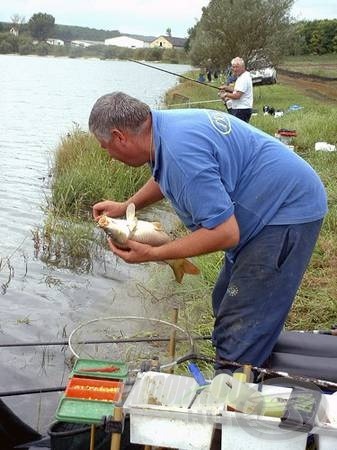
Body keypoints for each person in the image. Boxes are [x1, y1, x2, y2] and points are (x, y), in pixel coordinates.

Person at [89, 91, 327, 369]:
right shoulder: (162, 131)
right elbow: (165, 177)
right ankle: (259, 361)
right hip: (266, 206)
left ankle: (234, 384)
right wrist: (126, 205)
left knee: (240, 331)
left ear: (120, 136)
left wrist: (153, 253)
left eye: (104, 145)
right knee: (225, 301)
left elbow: (225, 233)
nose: (107, 153)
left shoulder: (180, 152)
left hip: (285, 213)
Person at [219, 57, 253, 123]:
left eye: (237, 67)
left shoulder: (244, 78)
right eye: (233, 67)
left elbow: (237, 96)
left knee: (240, 132)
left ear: (243, 67)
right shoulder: (242, 76)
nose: (235, 69)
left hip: (242, 110)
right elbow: (238, 90)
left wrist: (226, 94)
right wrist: (227, 88)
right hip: (240, 109)